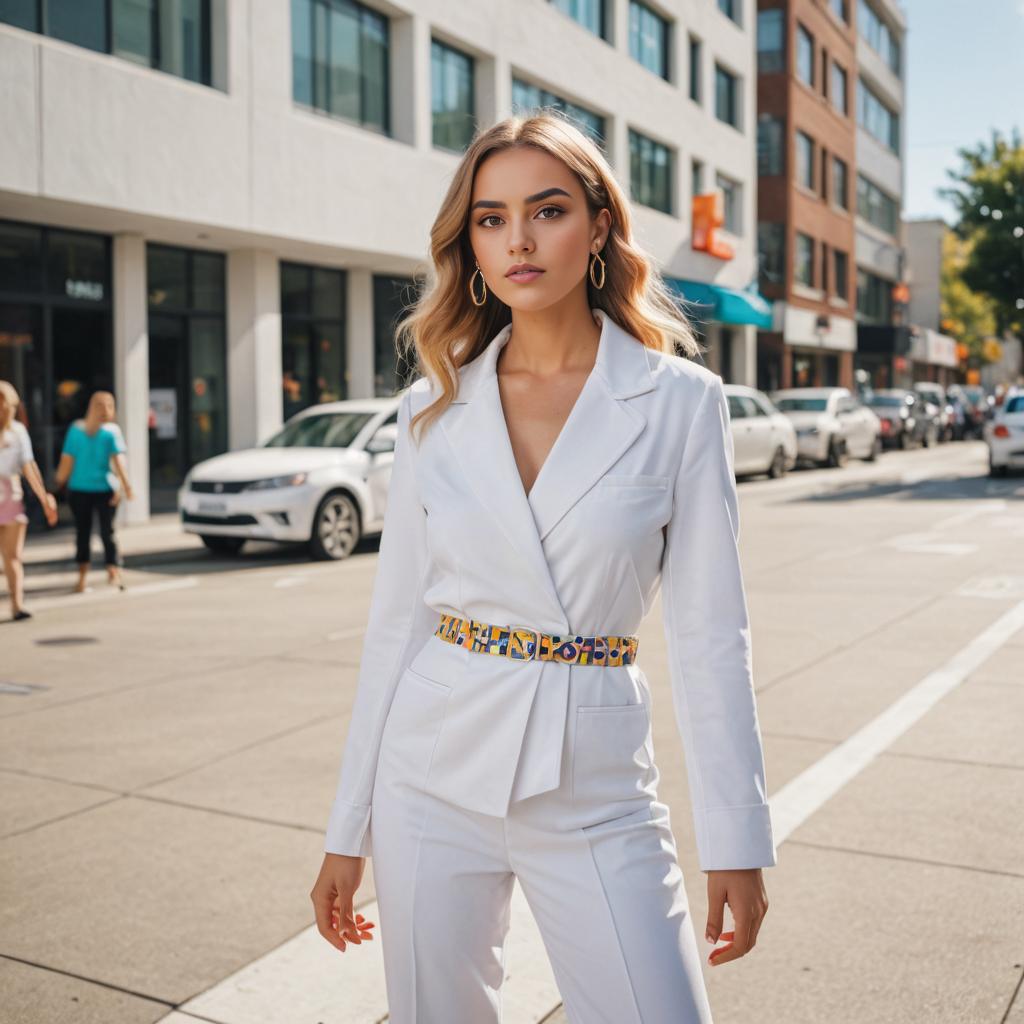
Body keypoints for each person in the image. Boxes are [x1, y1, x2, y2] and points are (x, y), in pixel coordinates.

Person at [310, 112, 776, 1023]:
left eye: (547, 210)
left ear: (599, 226)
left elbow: (712, 635)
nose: (517, 240)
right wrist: (346, 830)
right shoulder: (431, 408)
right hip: (430, 773)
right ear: (469, 239)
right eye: (489, 218)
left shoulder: (679, 402)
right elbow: (396, 624)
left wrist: (737, 837)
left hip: (595, 783)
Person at [54, 391, 134, 593]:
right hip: (79, 490)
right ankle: (82, 577)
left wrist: (125, 486)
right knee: (83, 533)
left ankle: (113, 570)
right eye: (100, 405)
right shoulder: (76, 430)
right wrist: (53, 488)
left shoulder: (111, 432)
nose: (105, 410)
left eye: (109, 405)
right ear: (91, 407)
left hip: (105, 489)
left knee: (108, 533)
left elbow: (119, 462)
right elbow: (67, 460)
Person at [0, 381, 59, 621]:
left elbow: (29, 467)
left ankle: (17, 605)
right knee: (13, 557)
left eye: (4, 401)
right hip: (9, 493)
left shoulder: (17, 432)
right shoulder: (14, 431)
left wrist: (45, 499)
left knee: (13, 557)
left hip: (11, 497)